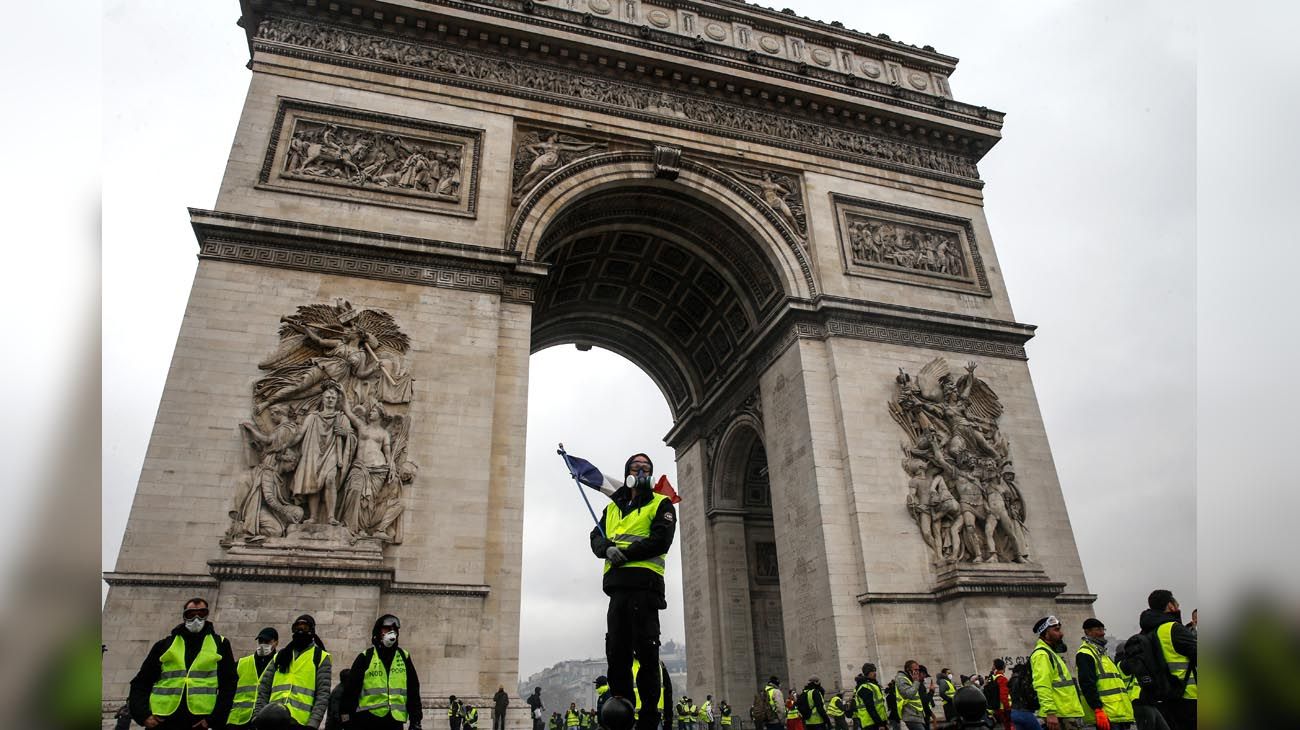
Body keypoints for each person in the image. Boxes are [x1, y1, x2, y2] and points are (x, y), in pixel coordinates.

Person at [589, 453, 677, 730]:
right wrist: (606, 549)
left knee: (647, 654)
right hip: (617, 590)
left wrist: (624, 552)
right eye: (636, 467)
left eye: (647, 467)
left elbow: (661, 540)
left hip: (645, 587)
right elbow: (595, 537)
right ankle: (621, 712)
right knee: (617, 653)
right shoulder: (613, 508)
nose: (641, 470)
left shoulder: (661, 503)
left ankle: (649, 718)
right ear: (627, 471)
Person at [128, 597, 238, 729]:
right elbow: (141, 682)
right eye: (191, 614)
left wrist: (213, 720)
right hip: (162, 720)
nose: (196, 618)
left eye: (201, 613)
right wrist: (143, 715)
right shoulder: (164, 645)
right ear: (184, 616)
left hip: (198, 721)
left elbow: (229, 685)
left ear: (207, 615)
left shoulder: (221, 644)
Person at [339, 614, 424, 730]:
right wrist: (345, 718)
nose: (392, 632)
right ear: (378, 632)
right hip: (366, 720)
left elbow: (413, 690)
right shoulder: (366, 657)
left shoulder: (404, 657)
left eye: (395, 630)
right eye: (387, 629)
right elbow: (351, 690)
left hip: (395, 721)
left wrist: (416, 720)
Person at [254, 614, 332, 728]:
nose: (300, 631)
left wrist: (313, 724)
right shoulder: (281, 656)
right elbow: (264, 688)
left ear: (312, 631)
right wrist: (258, 716)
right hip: (271, 719)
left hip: (300, 722)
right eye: (297, 628)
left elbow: (323, 695)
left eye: (304, 628)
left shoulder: (321, 657)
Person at [1139, 590, 1196, 730]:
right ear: (1170, 606)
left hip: (1163, 697)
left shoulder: (1147, 631)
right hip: (1188, 696)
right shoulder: (1173, 628)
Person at [1076, 618, 1135, 730]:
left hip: (1119, 714)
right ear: (1088, 632)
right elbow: (1087, 684)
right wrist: (1097, 709)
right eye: (1098, 629)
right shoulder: (1085, 653)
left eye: (1103, 629)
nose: (1102, 633)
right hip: (1105, 716)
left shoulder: (1103, 654)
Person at [1029, 616, 1086, 730]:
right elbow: (1042, 685)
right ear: (1045, 633)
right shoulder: (1042, 655)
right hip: (1058, 716)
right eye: (1056, 630)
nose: (1061, 634)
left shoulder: (1051, 653)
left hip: (1065, 713)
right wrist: (1050, 712)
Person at [230, 627, 280, 727]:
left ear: (276, 643)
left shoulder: (279, 664)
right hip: (238, 720)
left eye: (267, 641)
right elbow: (228, 691)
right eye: (261, 641)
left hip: (264, 719)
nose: (263, 644)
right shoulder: (242, 663)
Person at [891, 663, 925, 730]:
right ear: (908, 670)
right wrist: (916, 682)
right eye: (915, 670)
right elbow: (909, 694)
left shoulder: (910, 679)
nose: (917, 672)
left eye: (918, 670)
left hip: (916, 715)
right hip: (910, 715)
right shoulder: (901, 678)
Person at [854, 664, 888, 730]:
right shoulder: (865, 687)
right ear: (867, 673)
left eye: (875, 670)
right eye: (872, 671)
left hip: (878, 722)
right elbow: (870, 708)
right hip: (872, 724)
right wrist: (880, 724)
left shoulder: (872, 685)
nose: (875, 673)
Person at [988, 659, 1011, 730]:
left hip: (997, 707)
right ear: (1003, 667)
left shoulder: (993, 678)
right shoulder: (1002, 679)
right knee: (1009, 727)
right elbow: (1003, 696)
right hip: (1004, 708)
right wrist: (1008, 708)